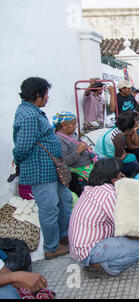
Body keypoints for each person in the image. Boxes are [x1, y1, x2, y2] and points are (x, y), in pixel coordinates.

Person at [13, 77, 73, 260]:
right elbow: (23, 146)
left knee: (65, 201)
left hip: (50, 168)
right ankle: (51, 247)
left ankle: (64, 236)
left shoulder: (32, 111)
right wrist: (19, 163)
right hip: (41, 170)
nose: (48, 98)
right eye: (46, 94)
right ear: (37, 94)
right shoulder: (30, 115)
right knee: (49, 209)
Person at [68, 158, 139, 279]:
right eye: (121, 174)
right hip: (90, 250)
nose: (123, 177)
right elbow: (127, 226)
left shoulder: (93, 188)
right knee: (138, 248)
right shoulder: (108, 194)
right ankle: (99, 267)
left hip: (80, 247)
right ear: (113, 178)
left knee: (136, 238)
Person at [53, 111, 99, 195]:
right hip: (78, 173)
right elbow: (63, 162)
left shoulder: (71, 134)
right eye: (73, 124)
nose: (76, 126)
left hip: (88, 166)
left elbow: (79, 144)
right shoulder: (59, 140)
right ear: (64, 126)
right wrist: (78, 151)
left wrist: (86, 148)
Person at [94, 111, 139, 176]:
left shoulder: (115, 130)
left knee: (132, 157)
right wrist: (123, 155)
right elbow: (119, 159)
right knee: (135, 165)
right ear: (129, 128)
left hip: (100, 159)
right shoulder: (119, 137)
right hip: (104, 164)